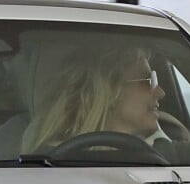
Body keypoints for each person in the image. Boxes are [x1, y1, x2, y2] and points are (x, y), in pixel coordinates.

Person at [21, 44, 171, 154]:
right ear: (111, 91)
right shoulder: (46, 159)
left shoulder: (165, 151)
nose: (160, 92)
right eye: (146, 81)